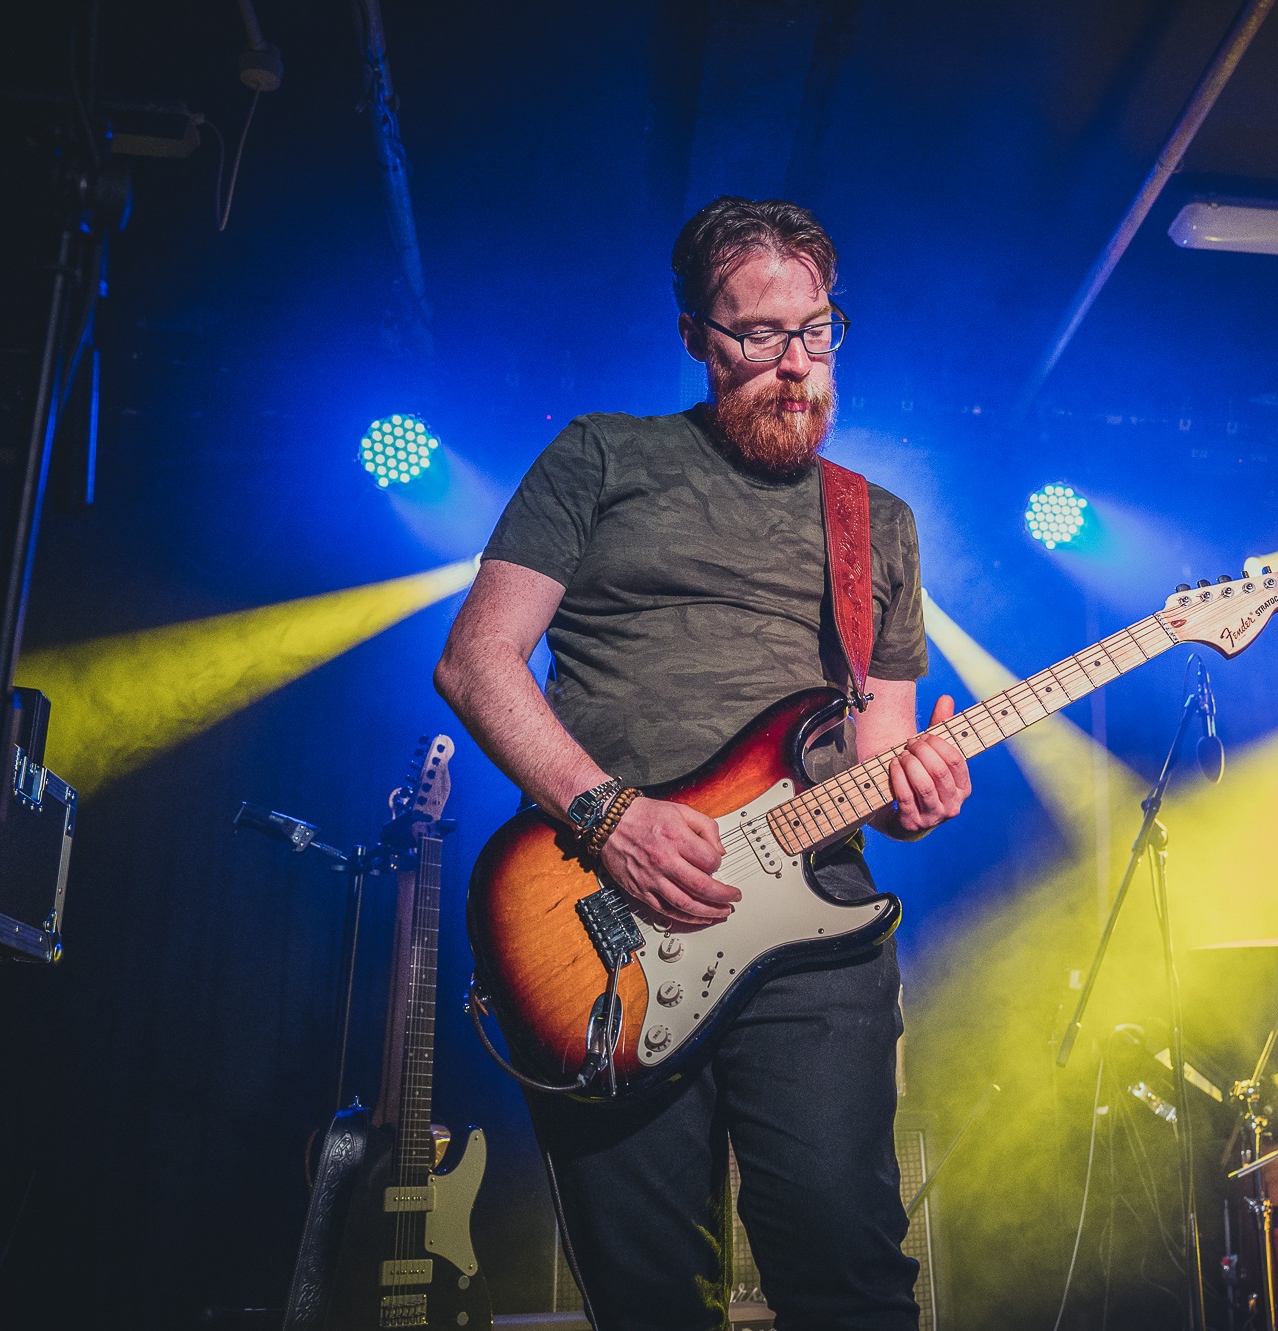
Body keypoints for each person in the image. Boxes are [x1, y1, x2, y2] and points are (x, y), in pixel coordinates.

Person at [434, 197, 972, 1331]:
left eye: (815, 331)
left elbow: (881, 756)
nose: (795, 364)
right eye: (759, 335)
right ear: (694, 335)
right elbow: (477, 662)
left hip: (815, 932)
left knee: (851, 1277)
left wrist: (920, 793)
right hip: (603, 923)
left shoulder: (874, 521)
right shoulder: (601, 456)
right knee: (651, 1298)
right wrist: (608, 814)